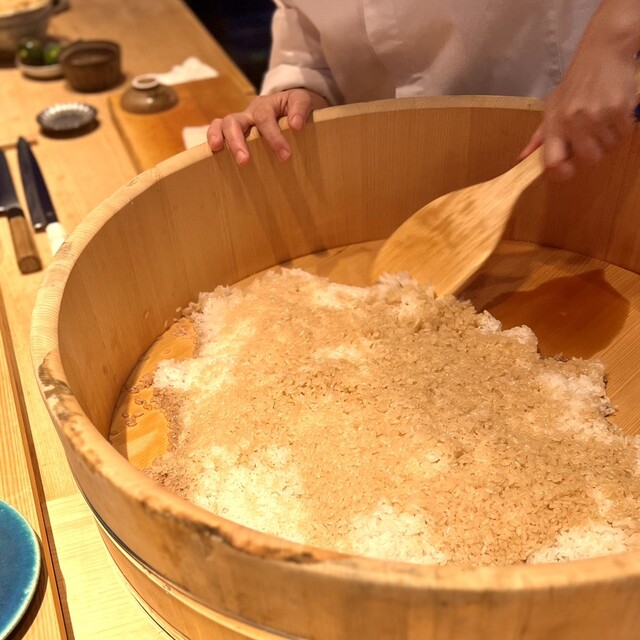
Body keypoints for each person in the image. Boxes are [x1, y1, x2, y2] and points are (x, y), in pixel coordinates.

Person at [208, 0, 640, 180]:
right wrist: (303, 85)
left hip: (566, 122)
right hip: (378, 172)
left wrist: (617, 36)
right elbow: (304, 19)